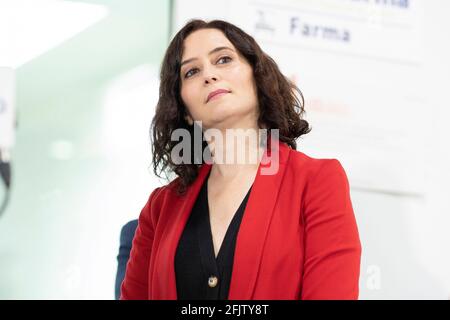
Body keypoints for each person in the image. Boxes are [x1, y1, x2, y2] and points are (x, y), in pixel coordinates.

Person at [120, 19, 362, 300]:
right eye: (191, 71)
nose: (208, 76)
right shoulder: (159, 208)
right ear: (184, 109)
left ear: (258, 78)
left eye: (223, 59)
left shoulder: (317, 181)